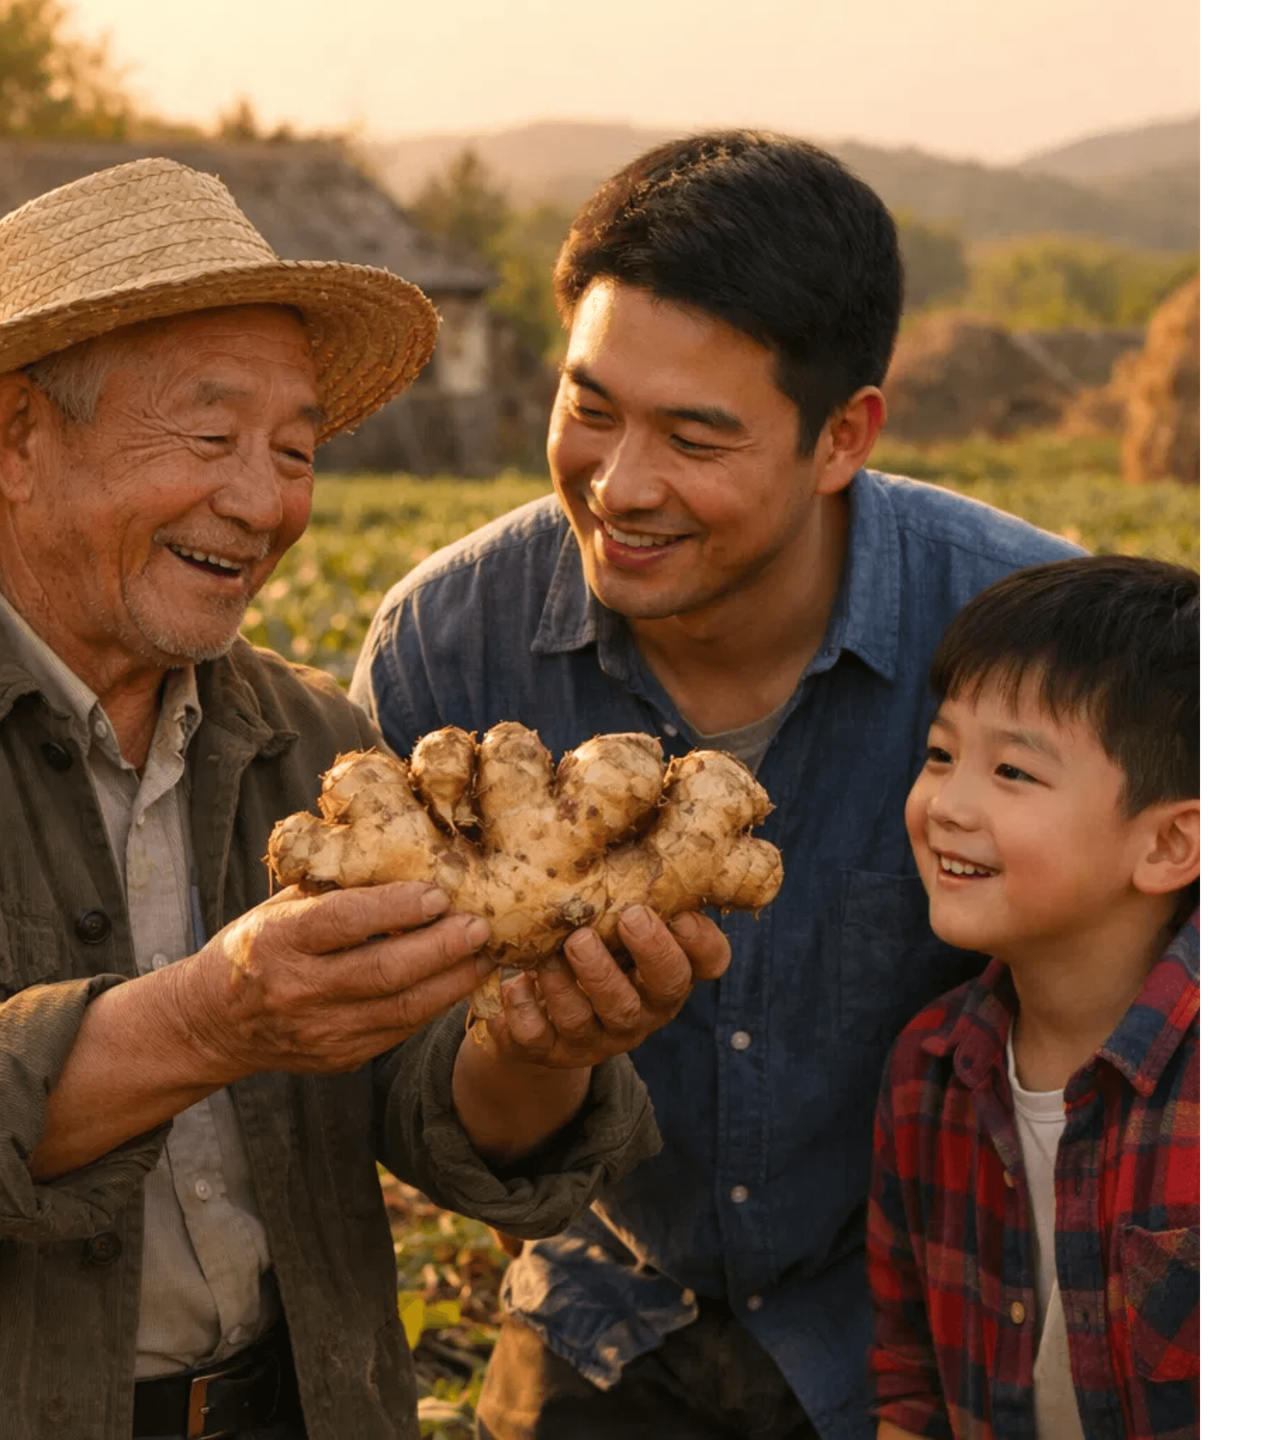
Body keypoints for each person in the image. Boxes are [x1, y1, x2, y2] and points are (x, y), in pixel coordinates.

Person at [349, 130, 1086, 1440]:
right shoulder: (446, 650)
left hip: (938, 1320)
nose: (621, 487)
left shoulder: (1025, 631)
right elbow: (420, 1109)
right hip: (603, 1297)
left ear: (843, 436)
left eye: (695, 436)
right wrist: (540, 1056)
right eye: (590, 408)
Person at [0, 158, 729, 1440]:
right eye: (211, 436)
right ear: (18, 438)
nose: (264, 501)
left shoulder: (318, 748)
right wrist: (208, 1019)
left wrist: (538, 1047)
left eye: (293, 451)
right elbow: (220, 1025)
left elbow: (436, 1110)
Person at [867, 556, 1201, 1440]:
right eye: (940, 756)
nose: (947, 804)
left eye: (1013, 773)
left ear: (1169, 845)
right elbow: (909, 1379)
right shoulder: (926, 1073)